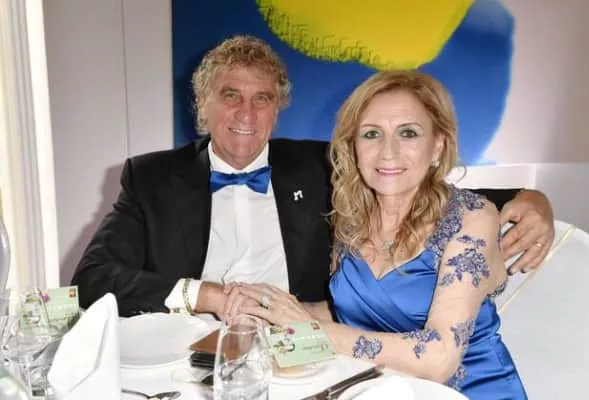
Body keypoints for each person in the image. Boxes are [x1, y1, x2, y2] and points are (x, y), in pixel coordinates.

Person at [71, 35, 553, 320]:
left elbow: (419, 187)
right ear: (204, 104)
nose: (246, 113)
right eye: (230, 95)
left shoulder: (320, 165)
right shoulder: (151, 178)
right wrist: (207, 296)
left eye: (262, 99)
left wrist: (530, 198)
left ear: (278, 109)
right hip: (189, 347)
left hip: (302, 341)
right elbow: (92, 279)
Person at [225, 70, 527, 398]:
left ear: (437, 146)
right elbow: (351, 313)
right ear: (354, 148)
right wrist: (267, 308)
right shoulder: (351, 218)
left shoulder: (472, 220)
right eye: (371, 134)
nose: (387, 152)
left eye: (408, 133)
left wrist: (310, 331)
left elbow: (439, 358)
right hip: (380, 389)